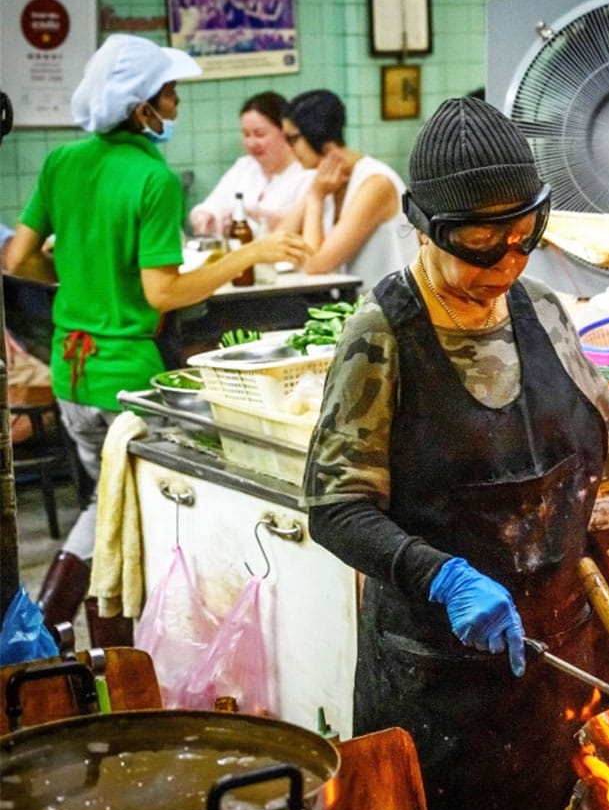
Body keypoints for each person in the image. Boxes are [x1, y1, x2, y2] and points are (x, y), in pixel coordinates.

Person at [301, 95, 609, 810]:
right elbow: (334, 508)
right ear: (424, 226)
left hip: (560, 672)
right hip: (435, 686)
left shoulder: (541, 309)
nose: (508, 264)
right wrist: (440, 575)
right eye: (483, 246)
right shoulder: (382, 335)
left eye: (524, 238)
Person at [4, 34, 311, 644]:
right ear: (139, 105)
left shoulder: (64, 162)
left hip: (71, 372)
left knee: (106, 499)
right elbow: (163, 293)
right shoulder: (151, 177)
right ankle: (68, 632)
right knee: (129, 508)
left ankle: (81, 639)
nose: (174, 105)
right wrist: (251, 251)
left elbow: (17, 259)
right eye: (167, 94)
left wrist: (80, 280)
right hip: (127, 379)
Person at [277, 89, 418, 292]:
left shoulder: (376, 184)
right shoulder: (325, 178)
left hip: (395, 308)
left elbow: (315, 264)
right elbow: (279, 241)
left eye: (293, 139)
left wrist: (316, 198)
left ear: (315, 134)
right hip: (360, 306)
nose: (290, 149)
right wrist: (313, 193)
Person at [188, 91, 312, 237]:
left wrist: (257, 214)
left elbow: (308, 226)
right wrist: (204, 217)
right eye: (246, 135)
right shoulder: (245, 167)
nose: (251, 143)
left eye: (260, 134)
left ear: (284, 131)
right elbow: (211, 205)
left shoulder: (306, 173)